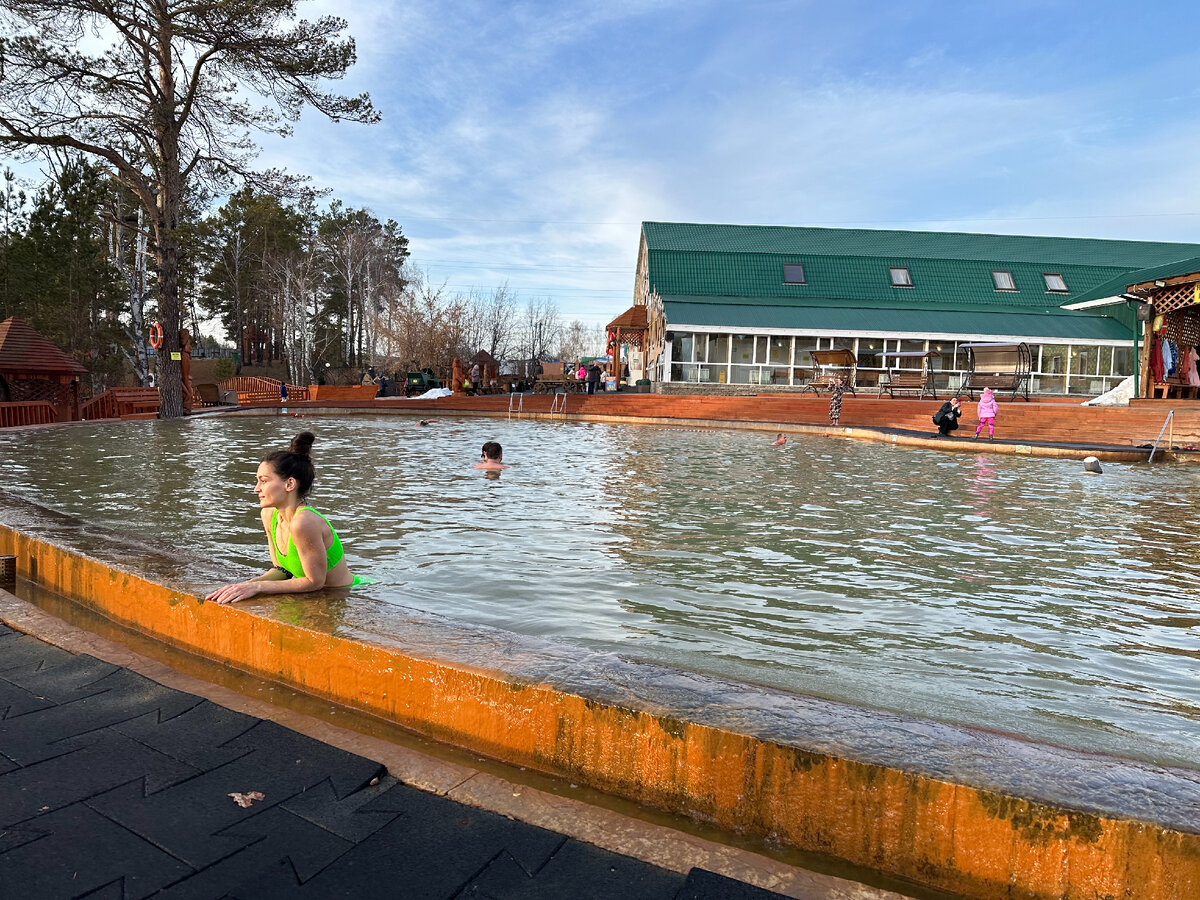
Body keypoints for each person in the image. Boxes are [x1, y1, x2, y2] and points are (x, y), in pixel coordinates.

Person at [206, 431, 363, 604]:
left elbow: (315, 582)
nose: (256, 489)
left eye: (264, 481)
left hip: (353, 595)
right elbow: (282, 571)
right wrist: (244, 586)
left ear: (289, 484)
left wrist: (258, 587)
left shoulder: (304, 522)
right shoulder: (269, 515)